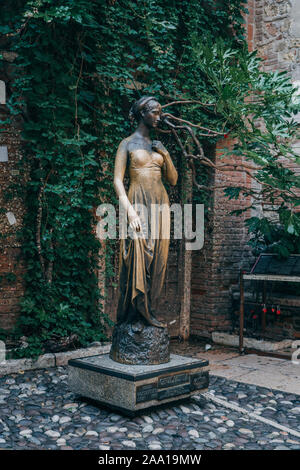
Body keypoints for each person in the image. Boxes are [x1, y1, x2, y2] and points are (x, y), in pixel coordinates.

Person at [113, 96, 178, 331]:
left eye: (160, 113)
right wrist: (128, 210)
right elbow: (118, 181)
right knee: (138, 259)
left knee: (159, 260)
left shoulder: (158, 146)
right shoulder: (127, 144)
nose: (159, 117)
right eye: (155, 113)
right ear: (143, 114)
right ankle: (135, 315)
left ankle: (149, 310)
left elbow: (173, 180)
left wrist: (167, 155)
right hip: (137, 204)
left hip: (160, 206)